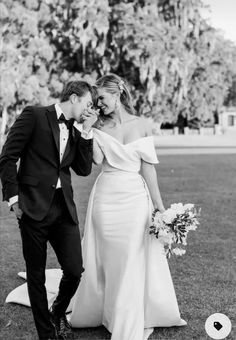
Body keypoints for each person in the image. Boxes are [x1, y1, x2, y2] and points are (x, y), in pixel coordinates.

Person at [69, 74, 186, 339]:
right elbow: (97, 161)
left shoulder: (142, 125)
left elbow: (149, 169)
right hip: (106, 200)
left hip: (134, 200)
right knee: (110, 260)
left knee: (131, 258)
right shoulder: (97, 126)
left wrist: (160, 208)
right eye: (96, 100)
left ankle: (127, 319)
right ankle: (108, 310)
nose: (99, 105)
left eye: (102, 98)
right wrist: (86, 130)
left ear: (118, 92)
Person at [0, 81, 98, 340]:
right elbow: (8, 157)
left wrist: (86, 132)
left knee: (75, 270)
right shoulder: (35, 115)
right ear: (74, 98)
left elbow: (84, 169)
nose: (90, 110)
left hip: (63, 209)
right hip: (31, 207)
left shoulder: (77, 128)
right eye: (88, 104)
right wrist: (13, 198)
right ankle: (47, 333)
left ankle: (57, 312)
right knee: (36, 275)